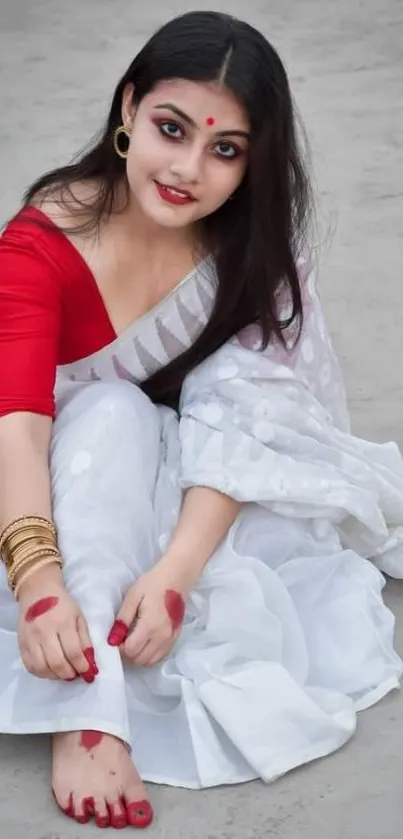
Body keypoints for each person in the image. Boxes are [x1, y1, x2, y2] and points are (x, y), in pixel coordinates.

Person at [0, 9, 402, 832]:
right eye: (170, 128)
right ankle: (91, 705)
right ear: (127, 109)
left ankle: (129, 609)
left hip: (172, 462)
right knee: (109, 407)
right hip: (36, 487)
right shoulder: (43, 246)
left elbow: (247, 415)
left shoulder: (249, 248)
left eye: (224, 150)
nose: (187, 168)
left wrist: (176, 575)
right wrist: (39, 580)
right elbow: (20, 426)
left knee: (221, 522)